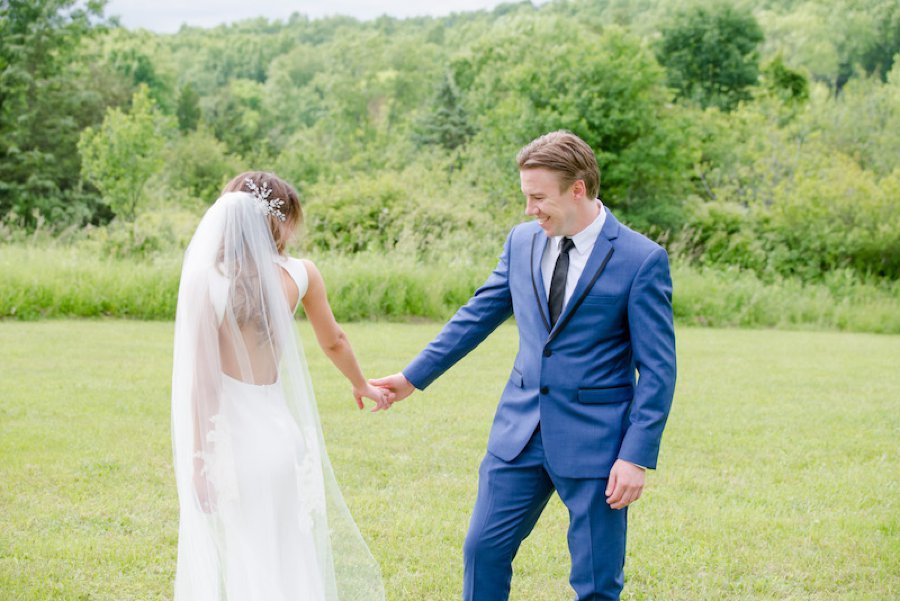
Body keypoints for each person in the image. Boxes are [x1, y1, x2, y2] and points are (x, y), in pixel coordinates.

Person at [371, 131, 676, 601]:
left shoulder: (641, 259)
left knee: (597, 580)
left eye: (538, 197)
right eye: (526, 197)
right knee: (483, 550)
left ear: (578, 188)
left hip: (597, 441)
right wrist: (413, 377)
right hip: (518, 433)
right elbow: (477, 315)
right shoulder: (521, 242)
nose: (530, 209)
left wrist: (634, 456)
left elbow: (657, 370)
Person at [171, 171, 387, 601]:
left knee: (251, 558)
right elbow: (334, 340)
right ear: (280, 221)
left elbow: (204, 383)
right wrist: (360, 383)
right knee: (293, 550)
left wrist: (198, 463)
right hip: (283, 437)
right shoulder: (301, 274)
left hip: (235, 442)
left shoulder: (204, 280)